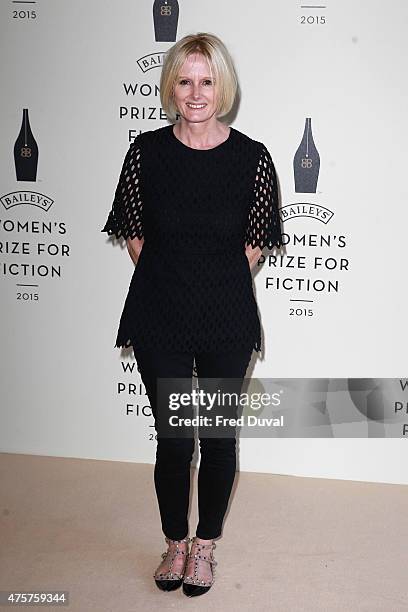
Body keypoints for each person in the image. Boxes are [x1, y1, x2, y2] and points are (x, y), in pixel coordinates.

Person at [101, 32, 283, 597]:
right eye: (185, 80)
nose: (196, 92)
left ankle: (205, 547)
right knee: (176, 438)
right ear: (171, 87)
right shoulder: (146, 153)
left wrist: (213, 280)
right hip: (161, 312)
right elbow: (133, 231)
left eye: (207, 81)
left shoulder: (252, 157)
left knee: (219, 435)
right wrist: (172, 278)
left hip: (226, 313)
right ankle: (175, 542)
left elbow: (256, 241)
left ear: (222, 86)